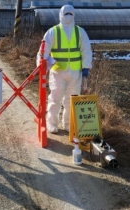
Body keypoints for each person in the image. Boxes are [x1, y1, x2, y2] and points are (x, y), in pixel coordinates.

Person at [37, 5, 92, 134]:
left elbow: (86, 50)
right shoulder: (53, 32)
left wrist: (86, 67)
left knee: (71, 99)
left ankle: (68, 124)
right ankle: (51, 123)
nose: (68, 16)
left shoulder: (80, 32)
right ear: (60, 15)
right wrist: (42, 67)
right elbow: (43, 52)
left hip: (75, 72)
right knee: (55, 98)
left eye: (70, 13)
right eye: (66, 13)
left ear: (74, 15)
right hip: (58, 71)